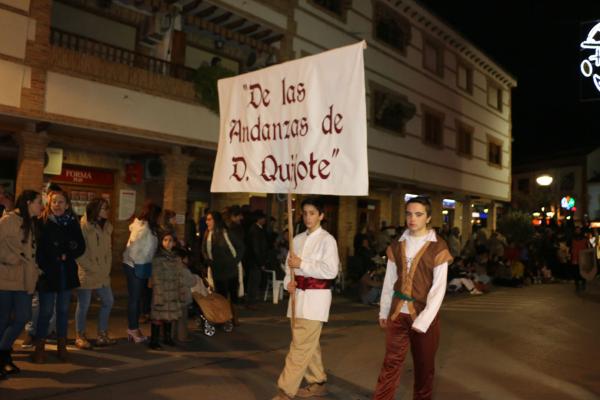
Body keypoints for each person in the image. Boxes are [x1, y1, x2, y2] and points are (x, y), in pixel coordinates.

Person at [373, 196, 453, 400]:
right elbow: (390, 280)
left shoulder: (438, 247)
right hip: (398, 314)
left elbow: (438, 289)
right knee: (390, 363)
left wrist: (424, 320)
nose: (412, 218)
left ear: (428, 218)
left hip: (423, 315)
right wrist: (384, 310)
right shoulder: (397, 244)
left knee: (424, 369)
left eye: (418, 214)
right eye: (409, 214)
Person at [272, 197, 339, 400]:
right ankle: (317, 381)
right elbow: (288, 268)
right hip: (297, 299)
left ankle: (285, 390)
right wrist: (288, 283)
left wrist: (303, 263)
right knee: (308, 344)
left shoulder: (327, 240)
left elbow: (330, 271)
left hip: (315, 301)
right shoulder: (297, 239)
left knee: (300, 347)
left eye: (312, 213)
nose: (308, 217)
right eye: (305, 213)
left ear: (321, 215)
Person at [34, 189, 86, 363]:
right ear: (49, 203)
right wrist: (52, 258)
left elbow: (80, 246)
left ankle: (61, 347)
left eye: (61, 202)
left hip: (66, 272)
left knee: (63, 311)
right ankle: (39, 348)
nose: (57, 205)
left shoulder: (72, 222)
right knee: (46, 311)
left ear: (67, 205)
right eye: (54, 201)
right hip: (48, 273)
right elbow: (38, 249)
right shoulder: (41, 222)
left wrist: (67, 253)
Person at [0, 190, 42, 378]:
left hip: (25, 279)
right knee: (2, 320)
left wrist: (36, 268)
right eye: (38, 202)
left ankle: (2, 351)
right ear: (28, 203)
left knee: (23, 316)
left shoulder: (31, 223)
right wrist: (9, 258)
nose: (41, 206)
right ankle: (4, 358)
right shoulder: (8, 221)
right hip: (6, 278)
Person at [75, 198, 116, 349]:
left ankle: (102, 334)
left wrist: (107, 268)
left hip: (103, 272)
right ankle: (80, 335)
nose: (107, 211)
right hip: (88, 271)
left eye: (108, 208)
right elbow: (78, 252)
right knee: (84, 305)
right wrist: (92, 268)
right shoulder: (84, 225)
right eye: (104, 208)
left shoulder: (108, 226)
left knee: (108, 301)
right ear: (96, 209)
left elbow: (109, 251)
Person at [122, 201, 161, 343]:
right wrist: (140, 263)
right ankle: (132, 329)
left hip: (139, 265)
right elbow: (133, 249)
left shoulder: (148, 227)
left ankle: (134, 328)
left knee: (137, 299)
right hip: (134, 266)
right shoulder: (143, 228)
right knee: (135, 299)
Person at [148, 231, 190, 350]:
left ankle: (167, 338)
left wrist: (181, 291)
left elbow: (180, 275)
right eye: (165, 240)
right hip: (161, 291)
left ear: (174, 243)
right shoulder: (158, 258)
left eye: (170, 240)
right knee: (158, 316)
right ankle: (154, 340)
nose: (167, 243)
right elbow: (156, 277)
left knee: (170, 316)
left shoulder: (176, 258)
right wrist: (159, 294)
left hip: (173, 291)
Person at [202, 211, 242, 324]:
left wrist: (234, 261)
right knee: (220, 295)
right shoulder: (207, 234)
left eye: (210, 219)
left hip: (230, 269)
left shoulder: (226, 233)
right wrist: (209, 262)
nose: (207, 222)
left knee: (232, 295)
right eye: (206, 219)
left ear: (216, 220)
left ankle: (234, 317)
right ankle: (223, 318)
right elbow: (204, 249)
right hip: (217, 269)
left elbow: (241, 247)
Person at [246, 210, 268, 308]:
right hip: (255, 261)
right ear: (259, 219)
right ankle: (252, 302)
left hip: (254, 260)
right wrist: (261, 262)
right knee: (254, 281)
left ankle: (251, 300)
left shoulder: (257, 229)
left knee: (253, 280)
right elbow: (256, 248)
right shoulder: (255, 230)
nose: (265, 220)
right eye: (263, 219)